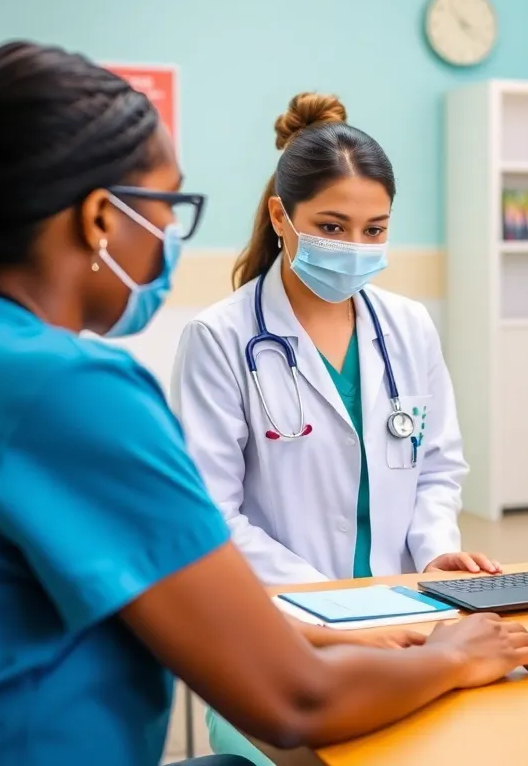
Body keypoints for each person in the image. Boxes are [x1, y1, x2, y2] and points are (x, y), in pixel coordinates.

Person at [0, 38, 528, 766]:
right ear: (101, 219)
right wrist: (453, 655)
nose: (172, 236)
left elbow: (156, 601)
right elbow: (298, 700)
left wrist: (360, 624)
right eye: (169, 205)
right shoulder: (68, 390)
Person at [170, 92, 496, 586]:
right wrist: (321, 594)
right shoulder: (219, 338)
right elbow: (210, 511)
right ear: (281, 217)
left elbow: (437, 466)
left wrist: (435, 551)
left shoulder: (409, 327)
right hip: (285, 610)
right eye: (331, 227)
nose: (354, 248)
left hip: (400, 596)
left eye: (374, 230)